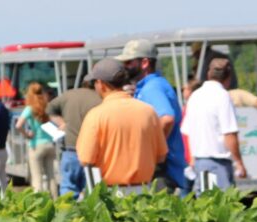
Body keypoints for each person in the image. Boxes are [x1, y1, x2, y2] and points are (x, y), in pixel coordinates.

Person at [76, 59, 168, 194]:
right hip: (145, 192)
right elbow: (161, 156)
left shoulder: (96, 115)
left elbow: (85, 159)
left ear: (101, 84)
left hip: (112, 194)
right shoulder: (149, 111)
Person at [116, 39, 190, 197]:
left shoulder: (152, 88)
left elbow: (167, 119)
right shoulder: (148, 87)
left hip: (161, 171)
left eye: (129, 62)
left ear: (144, 63)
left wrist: (154, 153)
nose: (125, 67)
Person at [181, 58, 247, 194]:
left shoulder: (195, 96)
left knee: (207, 205)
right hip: (218, 164)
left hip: (200, 162)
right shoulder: (223, 96)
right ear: (228, 77)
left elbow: (186, 131)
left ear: (208, 74)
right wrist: (239, 163)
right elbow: (229, 134)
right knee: (220, 207)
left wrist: (192, 158)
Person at [48, 74, 101, 197]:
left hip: (70, 149)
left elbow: (49, 108)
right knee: (92, 191)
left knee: (68, 187)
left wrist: (61, 123)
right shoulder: (100, 99)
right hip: (92, 152)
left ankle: (68, 215)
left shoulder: (68, 95)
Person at [14, 82, 57, 195]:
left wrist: (26, 134)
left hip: (36, 144)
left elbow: (18, 125)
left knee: (37, 177)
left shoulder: (30, 108)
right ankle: (55, 200)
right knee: (51, 177)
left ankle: (39, 203)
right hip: (49, 143)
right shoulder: (47, 106)